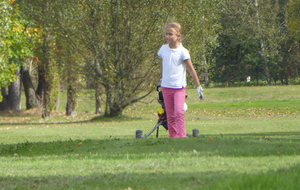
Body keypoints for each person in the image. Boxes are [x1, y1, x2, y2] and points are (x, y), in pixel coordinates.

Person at [157, 22, 204, 138]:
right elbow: (165, 65)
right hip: (166, 86)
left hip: (178, 87)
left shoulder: (183, 51)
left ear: (178, 36)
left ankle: (182, 136)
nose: (167, 36)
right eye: (166, 34)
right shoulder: (163, 49)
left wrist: (198, 86)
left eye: (171, 34)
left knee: (179, 112)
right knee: (170, 114)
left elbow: (191, 70)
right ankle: (173, 136)